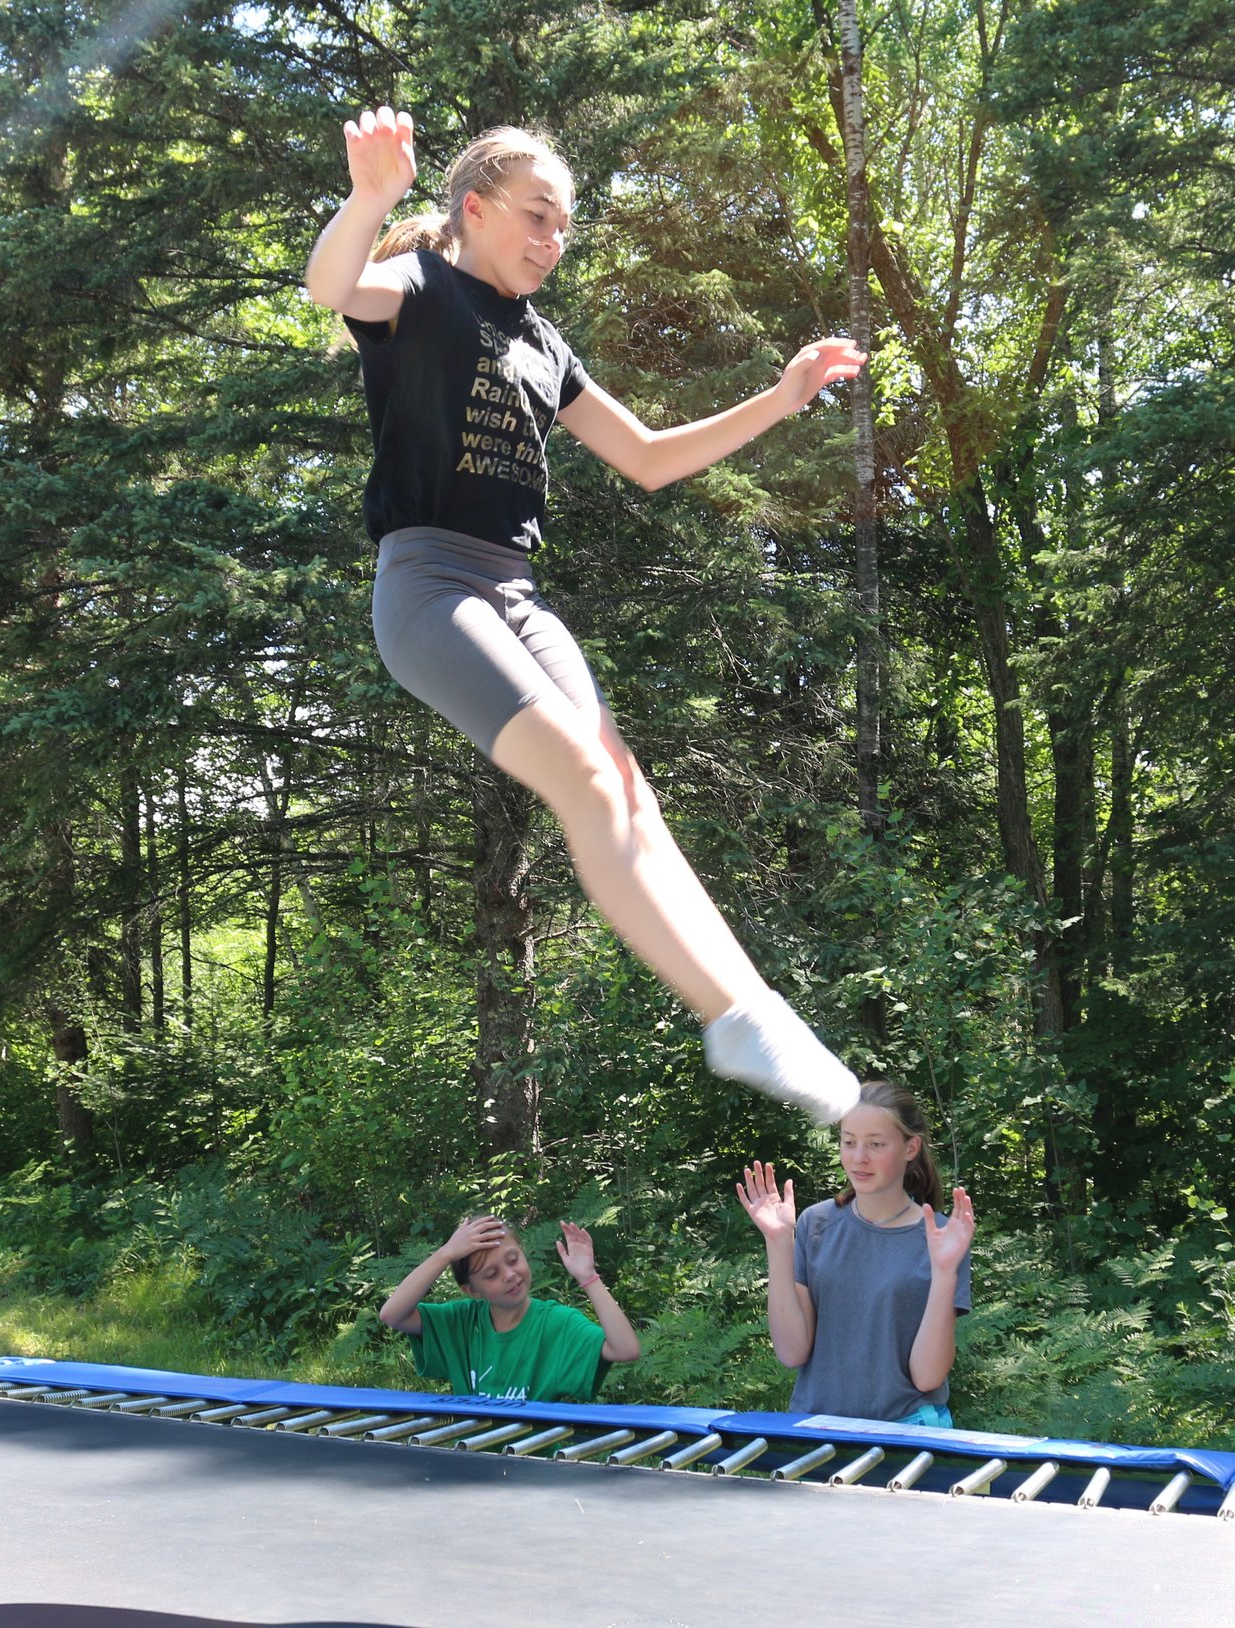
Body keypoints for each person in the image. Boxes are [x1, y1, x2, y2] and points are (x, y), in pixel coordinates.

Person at [305, 106, 868, 1124]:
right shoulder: (420, 288)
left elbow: (648, 458)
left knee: (625, 789)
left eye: (564, 225)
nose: (551, 240)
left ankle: (756, 1009)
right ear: (472, 209)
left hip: (514, 589)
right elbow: (331, 285)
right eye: (534, 216)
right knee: (578, 773)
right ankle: (726, 1015)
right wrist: (369, 196)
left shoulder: (541, 341)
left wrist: (780, 398)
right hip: (429, 585)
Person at [738, 1081, 976, 1426]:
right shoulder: (815, 1224)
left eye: (876, 1144)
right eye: (848, 1142)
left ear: (911, 1148)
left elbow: (927, 1378)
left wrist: (943, 1273)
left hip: (907, 1435)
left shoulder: (944, 1238)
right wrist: (778, 1242)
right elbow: (791, 1353)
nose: (859, 1157)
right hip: (817, 1431)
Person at [380, 1215, 638, 1402]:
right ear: (472, 1290)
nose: (510, 1275)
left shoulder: (556, 1323)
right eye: (491, 1274)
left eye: (513, 1259)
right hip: (469, 1463)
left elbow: (625, 1349)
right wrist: (445, 1254)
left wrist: (589, 1278)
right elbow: (392, 1314)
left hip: (533, 1468)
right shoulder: (459, 1322)